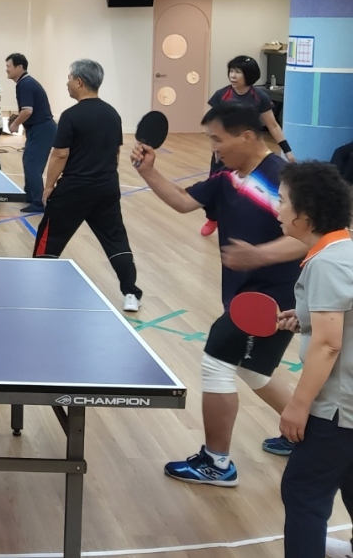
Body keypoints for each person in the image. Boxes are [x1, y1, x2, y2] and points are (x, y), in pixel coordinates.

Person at [132, 102, 306, 485]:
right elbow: (183, 201)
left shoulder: (283, 180)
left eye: (217, 139)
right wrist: (149, 172)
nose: (213, 147)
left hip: (272, 299)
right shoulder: (227, 177)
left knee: (217, 361)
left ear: (247, 136)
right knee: (253, 369)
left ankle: (216, 463)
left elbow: (309, 238)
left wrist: (258, 255)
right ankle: (308, 434)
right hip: (245, 293)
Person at [271, 161, 353, 558]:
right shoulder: (347, 249)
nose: (277, 208)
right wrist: (305, 317)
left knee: (303, 493)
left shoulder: (326, 263)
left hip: (336, 410)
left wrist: (298, 406)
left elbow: (328, 345)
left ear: (305, 215)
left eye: (282, 201)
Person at [32, 60, 142, 311]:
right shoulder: (113, 114)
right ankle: (131, 294)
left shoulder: (71, 116)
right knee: (116, 240)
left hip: (74, 189)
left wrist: (48, 187)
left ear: (79, 82)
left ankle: (36, 285)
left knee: (50, 238)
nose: (67, 83)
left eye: (69, 78)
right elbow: (115, 153)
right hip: (107, 187)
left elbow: (60, 154)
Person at [200, 55, 295, 237]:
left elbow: (273, 125)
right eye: (231, 71)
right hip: (225, 150)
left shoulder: (260, 97)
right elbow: (210, 125)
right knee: (215, 184)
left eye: (238, 72)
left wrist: (287, 150)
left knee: (247, 188)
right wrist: (216, 146)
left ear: (249, 75)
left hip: (249, 151)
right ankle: (212, 218)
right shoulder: (222, 95)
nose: (233, 75)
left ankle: (240, 219)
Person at [5, 53, 56, 213]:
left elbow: (27, 110)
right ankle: (30, 195)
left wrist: (15, 125)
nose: (7, 70)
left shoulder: (25, 84)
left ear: (19, 67)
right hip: (38, 129)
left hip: (42, 129)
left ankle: (38, 202)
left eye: (9, 66)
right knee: (29, 161)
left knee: (32, 165)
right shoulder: (24, 83)